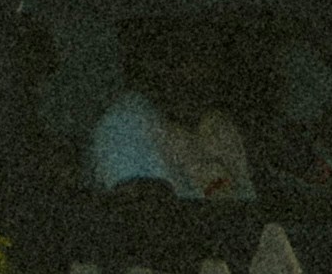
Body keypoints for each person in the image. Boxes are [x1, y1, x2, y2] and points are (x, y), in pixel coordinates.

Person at [91, 20, 262, 203]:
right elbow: (148, 219)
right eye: (183, 59)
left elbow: (246, 199)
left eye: (209, 57)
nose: (201, 71)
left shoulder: (216, 124)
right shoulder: (125, 125)